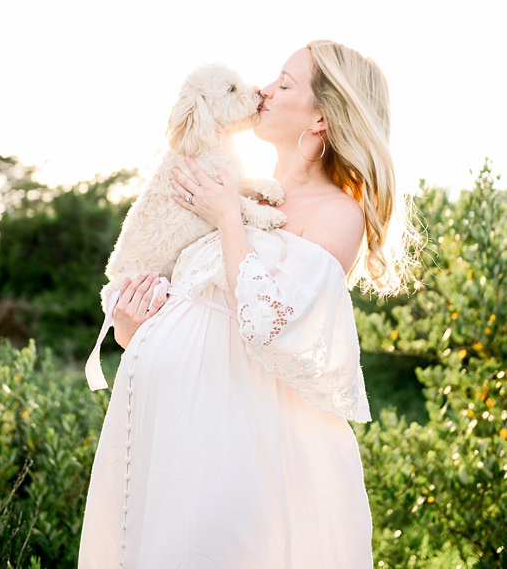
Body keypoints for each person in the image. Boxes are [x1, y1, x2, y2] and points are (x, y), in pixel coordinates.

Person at [78, 41, 410, 568]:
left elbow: (270, 323)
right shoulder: (235, 190)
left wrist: (230, 217)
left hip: (241, 442)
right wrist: (131, 326)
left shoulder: (336, 212)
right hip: (170, 437)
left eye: (284, 82)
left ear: (321, 118)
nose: (265, 89)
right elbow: (195, 313)